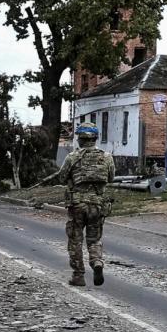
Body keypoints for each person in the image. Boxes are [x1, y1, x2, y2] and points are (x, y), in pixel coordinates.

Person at [53, 122, 115, 286]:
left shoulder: (72, 157)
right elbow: (111, 178)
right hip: (97, 204)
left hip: (77, 204)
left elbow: (61, 177)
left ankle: (78, 276)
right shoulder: (106, 157)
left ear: (80, 139)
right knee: (94, 239)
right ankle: (97, 262)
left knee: (75, 240)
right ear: (95, 138)